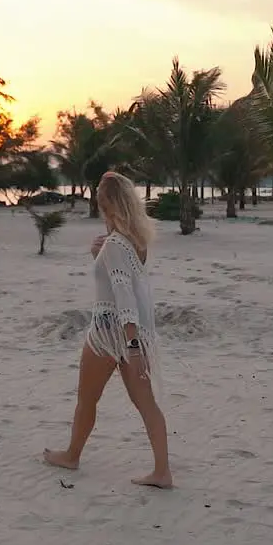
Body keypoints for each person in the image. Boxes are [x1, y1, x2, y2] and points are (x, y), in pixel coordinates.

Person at [43, 171, 172, 488]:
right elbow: (122, 279)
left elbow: (123, 293)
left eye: (101, 207)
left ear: (109, 207)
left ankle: (72, 455)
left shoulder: (115, 245)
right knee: (146, 404)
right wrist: (97, 254)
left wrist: (129, 346)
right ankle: (162, 471)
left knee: (87, 399)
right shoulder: (136, 244)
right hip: (131, 334)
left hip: (108, 333)